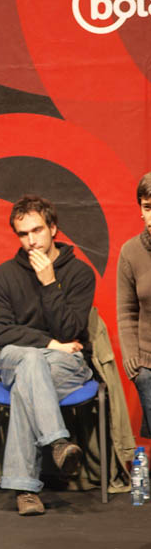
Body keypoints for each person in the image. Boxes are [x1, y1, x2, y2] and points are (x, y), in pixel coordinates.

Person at [0, 195, 95, 516]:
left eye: (37, 230)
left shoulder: (80, 273)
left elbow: (71, 331)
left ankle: (24, 489)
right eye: (23, 234)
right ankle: (57, 442)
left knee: (26, 384)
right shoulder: (5, 274)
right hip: (18, 357)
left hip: (66, 364)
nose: (31, 240)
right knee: (31, 361)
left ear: (53, 228)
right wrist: (48, 344)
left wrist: (50, 283)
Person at [117, 173, 151, 438]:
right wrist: (135, 365)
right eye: (147, 207)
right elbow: (127, 313)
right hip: (148, 367)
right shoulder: (130, 252)